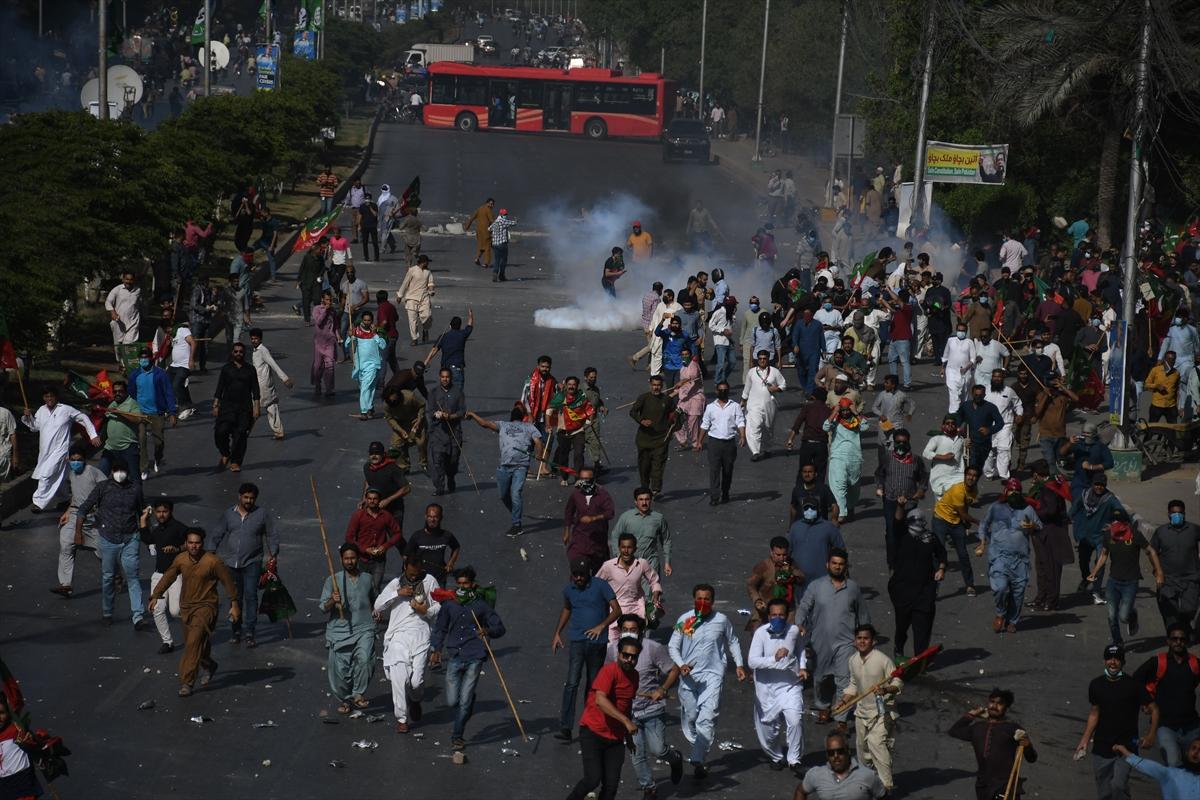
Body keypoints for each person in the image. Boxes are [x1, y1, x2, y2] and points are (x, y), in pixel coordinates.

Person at [668, 583, 747, 779]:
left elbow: (733, 641)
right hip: (688, 678)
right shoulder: (685, 620)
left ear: (713, 601)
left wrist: (739, 664)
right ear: (694, 599)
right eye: (699, 598)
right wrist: (681, 664)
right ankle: (699, 747)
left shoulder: (721, 620)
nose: (703, 602)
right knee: (692, 717)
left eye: (707, 599)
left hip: (713, 675)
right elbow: (672, 646)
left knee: (707, 717)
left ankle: (697, 758)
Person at [149, 529, 239, 697]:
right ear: (186, 544)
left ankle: (187, 682)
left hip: (207, 607)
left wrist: (234, 604)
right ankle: (209, 665)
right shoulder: (181, 559)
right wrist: (156, 595)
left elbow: (228, 582)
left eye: (197, 543)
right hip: (187, 608)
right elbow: (169, 576)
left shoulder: (213, 561)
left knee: (192, 643)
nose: (194, 546)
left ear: (202, 543)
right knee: (199, 645)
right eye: (190, 543)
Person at [605, 615, 684, 799]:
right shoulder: (612, 650)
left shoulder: (653, 648)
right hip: (628, 712)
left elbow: (673, 670)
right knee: (636, 753)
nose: (629, 633)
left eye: (633, 629)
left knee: (658, 749)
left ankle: (675, 759)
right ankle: (649, 787)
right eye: (625, 629)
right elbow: (607, 675)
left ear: (641, 631)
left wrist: (662, 688)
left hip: (652, 710)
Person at [429, 566, 506, 749]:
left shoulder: (481, 605)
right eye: (460, 583)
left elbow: (500, 627)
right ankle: (470, 699)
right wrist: (436, 649)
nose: (462, 587)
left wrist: (487, 630)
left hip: (475, 655)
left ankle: (457, 735)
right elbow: (440, 628)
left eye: (466, 583)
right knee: (451, 702)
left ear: (472, 584)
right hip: (455, 654)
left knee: (463, 703)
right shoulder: (449, 604)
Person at [1075, 644, 1159, 800]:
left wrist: (1151, 735)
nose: (1113, 662)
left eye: (1117, 659)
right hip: (1101, 747)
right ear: (1104, 661)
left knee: (1118, 785)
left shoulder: (1134, 685)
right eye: (1109, 658)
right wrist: (1085, 740)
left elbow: (1154, 709)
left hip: (1127, 747)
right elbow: (1094, 713)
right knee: (1104, 792)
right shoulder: (1096, 685)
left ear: (1123, 662)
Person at [564, 635, 643, 800]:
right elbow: (600, 700)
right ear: (618, 654)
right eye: (625, 655)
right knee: (592, 779)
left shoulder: (635, 677)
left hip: (615, 739)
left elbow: (626, 705)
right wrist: (626, 722)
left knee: (611, 785)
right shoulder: (609, 671)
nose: (629, 660)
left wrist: (628, 738)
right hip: (593, 732)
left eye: (633, 657)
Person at [797, 549, 870, 727]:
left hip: (846, 642)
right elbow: (804, 606)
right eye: (834, 563)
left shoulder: (852, 588)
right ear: (827, 565)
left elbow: (863, 616)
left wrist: (865, 641)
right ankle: (823, 707)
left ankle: (840, 716)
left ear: (845, 567)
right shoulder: (816, 586)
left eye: (841, 564)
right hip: (820, 641)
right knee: (820, 677)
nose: (837, 567)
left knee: (843, 679)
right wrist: (799, 624)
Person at [553, 559, 622, 741]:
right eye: (575, 575)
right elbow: (567, 609)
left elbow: (617, 610)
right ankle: (566, 727)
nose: (578, 578)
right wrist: (557, 633)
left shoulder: (601, 586)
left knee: (593, 685)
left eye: (582, 575)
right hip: (577, 641)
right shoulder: (569, 590)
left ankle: (589, 724)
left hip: (597, 643)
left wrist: (601, 626)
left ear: (588, 573)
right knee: (572, 683)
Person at [375, 555, 442, 733]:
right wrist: (398, 593)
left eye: (416, 574)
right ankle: (402, 719)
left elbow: (439, 606)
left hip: (421, 634)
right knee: (399, 677)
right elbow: (378, 605)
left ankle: (415, 699)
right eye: (410, 574)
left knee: (416, 681)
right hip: (397, 635)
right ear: (405, 567)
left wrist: (425, 610)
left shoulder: (429, 581)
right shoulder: (396, 583)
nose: (413, 578)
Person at [76, 461, 145, 628]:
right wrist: (77, 533)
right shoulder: (102, 488)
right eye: (116, 469)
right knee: (108, 577)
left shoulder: (135, 489)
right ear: (112, 471)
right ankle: (107, 611)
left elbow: (141, 512)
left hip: (130, 538)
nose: (119, 472)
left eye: (123, 469)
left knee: (133, 577)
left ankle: (138, 615)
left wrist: (146, 536)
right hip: (108, 538)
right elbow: (83, 509)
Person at [209, 483, 278, 648]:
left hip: (252, 562)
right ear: (239, 497)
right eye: (246, 497)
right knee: (235, 597)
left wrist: (273, 553)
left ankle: (250, 631)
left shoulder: (261, 514)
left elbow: (272, 534)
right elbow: (217, 533)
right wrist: (211, 551)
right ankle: (236, 630)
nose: (248, 500)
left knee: (250, 595)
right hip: (232, 564)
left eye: (252, 498)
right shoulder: (228, 514)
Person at [1088, 508, 1164, 646]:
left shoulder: (1135, 535)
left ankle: (1132, 615)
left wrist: (1158, 572)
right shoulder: (1108, 536)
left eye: (1119, 521)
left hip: (1130, 582)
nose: (1116, 524)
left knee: (1123, 616)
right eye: (1113, 521)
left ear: (1126, 523)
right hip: (1113, 582)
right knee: (1112, 616)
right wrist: (1094, 571)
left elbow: (1151, 551)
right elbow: (1104, 554)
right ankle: (1118, 641)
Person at [748, 597, 807, 777]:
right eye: (774, 615)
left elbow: (800, 650)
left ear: (787, 615)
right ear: (768, 616)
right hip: (766, 688)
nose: (778, 618)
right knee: (768, 728)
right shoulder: (760, 633)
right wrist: (774, 658)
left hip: (790, 685)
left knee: (795, 720)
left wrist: (803, 667)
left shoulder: (794, 631)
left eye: (781, 614)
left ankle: (794, 759)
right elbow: (752, 661)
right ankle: (775, 756)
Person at [948, 688, 1039, 800]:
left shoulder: (1013, 729)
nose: (994, 706)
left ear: (1006, 707)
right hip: (983, 785)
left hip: (1006, 786)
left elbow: (1032, 758)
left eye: (1000, 703)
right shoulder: (977, 728)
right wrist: (970, 715)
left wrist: (1028, 745)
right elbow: (954, 731)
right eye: (992, 702)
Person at [319, 543, 378, 713]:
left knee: (365, 659)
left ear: (358, 559)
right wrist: (333, 599)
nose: (350, 561)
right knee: (341, 671)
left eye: (352, 558)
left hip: (364, 627)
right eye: (346, 558)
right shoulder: (333, 580)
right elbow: (323, 607)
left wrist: (377, 611)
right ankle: (346, 699)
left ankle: (358, 694)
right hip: (340, 631)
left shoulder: (367, 578)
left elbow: (375, 600)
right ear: (341, 560)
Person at [842, 624, 901, 792]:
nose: (862, 641)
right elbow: (853, 685)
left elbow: (897, 683)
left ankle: (887, 785)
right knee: (863, 751)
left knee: (877, 744)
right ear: (855, 641)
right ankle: (869, 784)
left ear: (873, 641)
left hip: (882, 712)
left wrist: (885, 690)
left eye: (865, 638)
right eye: (859, 638)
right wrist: (844, 700)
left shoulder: (883, 660)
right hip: (862, 712)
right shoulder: (852, 660)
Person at [978, 479, 1041, 633]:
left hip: (1020, 559)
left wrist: (1032, 526)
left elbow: (1039, 526)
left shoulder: (1028, 509)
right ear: (1006, 492)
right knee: (1000, 588)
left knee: (1018, 593)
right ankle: (1000, 613)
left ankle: (1012, 620)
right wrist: (982, 541)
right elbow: (984, 524)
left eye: (1017, 492)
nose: (1014, 494)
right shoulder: (996, 507)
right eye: (1011, 491)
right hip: (999, 556)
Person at [1133, 623, 1200, 767]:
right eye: (1174, 639)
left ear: (1186, 641)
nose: (1178, 642)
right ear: (1168, 641)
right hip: (1165, 726)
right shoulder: (1157, 662)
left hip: (1192, 726)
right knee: (1174, 763)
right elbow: (1136, 680)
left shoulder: (1194, 664)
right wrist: (1146, 702)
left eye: (1182, 639)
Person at [22, 387, 100, 510]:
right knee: (58, 476)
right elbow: (35, 427)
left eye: (51, 396)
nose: (49, 399)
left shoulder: (66, 409)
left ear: (56, 397)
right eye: (46, 396)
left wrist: (93, 435)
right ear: (43, 398)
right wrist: (28, 417)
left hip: (60, 450)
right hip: (45, 451)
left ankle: (38, 502)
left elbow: (83, 418)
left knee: (46, 475)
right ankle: (64, 499)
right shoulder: (41, 410)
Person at [467, 408, 541, 536]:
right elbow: (485, 424)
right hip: (505, 466)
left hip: (520, 466)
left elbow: (538, 441)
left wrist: (473, 414)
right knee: (503, 495)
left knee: (516, 493)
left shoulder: (527, 426)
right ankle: (515, 512)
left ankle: (516, 524)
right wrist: (473, 415)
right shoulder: (503, 425)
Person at [889, 506, 946, 658]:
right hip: (903, 590)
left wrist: (941, 569)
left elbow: (941, 554)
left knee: (923, 626)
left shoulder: (930, 538)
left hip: (924, 590)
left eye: (919, 520)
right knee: (902, 625)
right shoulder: (902, 535)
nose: (916, 524)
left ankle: (920, 657)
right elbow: (897, 521)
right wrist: (900, 505)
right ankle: (899, 647)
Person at [50, 446, 103, 598]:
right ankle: (65, 584)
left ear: (84, 460)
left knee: (101, 552)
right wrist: (67, 512)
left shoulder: (94, 473)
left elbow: (107, 490)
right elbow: (75, 495)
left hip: (92, 518)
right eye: (73, 460)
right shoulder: (71, 473)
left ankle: (116, 575)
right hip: (74, 515)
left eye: (79, 460)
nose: (75, 463)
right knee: (66, 544)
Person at [874, 428, 928, 568]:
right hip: (891, 501)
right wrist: (880, 487)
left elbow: (923, 477)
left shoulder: (916, 460)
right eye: (898, 442)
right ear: (894, 443)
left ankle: (907, 561)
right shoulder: (887, 458)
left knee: (909, 532)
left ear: (909, 442)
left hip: (909, 502)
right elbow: (879, 474)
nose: (901, 445)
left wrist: (921, 490)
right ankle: (892, 563)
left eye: (904, 442)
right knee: (892, 533)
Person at [141, 500, 189, 654]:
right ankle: (167, 642)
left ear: (171, 511)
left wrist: (177, 548)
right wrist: (143, 521)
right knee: (157, 609)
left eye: (164, 511)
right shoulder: (157, 530)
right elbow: (148, 539)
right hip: (159, 574)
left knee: (175, 611)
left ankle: (192, 632)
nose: (161, 515)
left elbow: (191, 543)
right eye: (158, 512)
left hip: (176, 575)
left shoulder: (179, 528)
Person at [1071, 473, 1126, 605]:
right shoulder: (1084, 495)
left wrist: (1113, 524)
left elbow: (1120, 512)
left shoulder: (1109, 498)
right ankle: (1086, 578)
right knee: (1083, 561)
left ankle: (1096, 591)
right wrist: (1065, 519)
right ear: (1092, 484)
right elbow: (1074, 509)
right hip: (1085, 535)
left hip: (1101, 537)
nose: (1099, 487)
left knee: (1099, 565)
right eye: (1096, 484)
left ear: (1105, 486)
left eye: (1101, 485)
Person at [1028, 460, 1075, 611]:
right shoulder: (1047, 485)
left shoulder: (1049, 488)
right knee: (1042, 566)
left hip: (1052, 532)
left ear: (1036, 475)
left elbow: (1051, 511)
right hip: (1043, 532)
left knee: (1051, 568)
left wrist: (1033, 514)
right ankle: (1041, 597)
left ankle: (1051, 600)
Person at [1152, 500, 1200, 633]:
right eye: (1173, 513)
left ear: (1184, 514)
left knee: (1190, 609)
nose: (1177, 515)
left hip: (1191, 578)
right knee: (1169, 613)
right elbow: (1152, 552)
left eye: (1179, 513)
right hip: (1168, 579)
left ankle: (1185, 627)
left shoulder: (1194, 530)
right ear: (1168, 514)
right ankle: (1176, 638)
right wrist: (1158, 571)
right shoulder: (1161, 532)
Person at [211, 342, 261, 473]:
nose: (238, 354)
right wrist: (215, 404)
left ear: (244, 354)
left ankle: (235, 462)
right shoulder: (226, 368)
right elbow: (220, 387)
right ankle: (225, 453)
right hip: (227, 407)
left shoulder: (250, 369)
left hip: (244, 408)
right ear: (232, 353)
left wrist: (257, 407)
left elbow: (255, 389)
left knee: (240, 436)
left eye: (241, 352)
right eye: (236, 351)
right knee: (220, 432)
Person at [795, 731, 888, 800]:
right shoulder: (816, 774)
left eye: (840, 751)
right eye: (831, 753)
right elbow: (800, 791)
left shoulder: (868, 775)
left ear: (848, 751)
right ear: (827, 755)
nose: (836, 756)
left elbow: (882, 796)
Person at [344, 488, 403, 593]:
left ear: (379, 500)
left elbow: (397, 533)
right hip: (362, 559)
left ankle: (374, 608)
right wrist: (365, 549)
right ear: (366, 499)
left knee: (375, 588)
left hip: (379, 560)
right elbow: (349, 537)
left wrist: (385, 546)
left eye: (375, 499)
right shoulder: (358, 515)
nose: (372, 501)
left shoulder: (386, 516)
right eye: (369, 498)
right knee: (361, 588)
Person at [130, 347, 176, 480]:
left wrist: (172, 412)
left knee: (159, 442)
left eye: (146, 357)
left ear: (151, 359)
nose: (144, 360)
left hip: (157, 412)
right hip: (141, 413)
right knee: (141, 439)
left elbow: (168, 393)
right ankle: (143, 468)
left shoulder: (160, 374)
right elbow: (131, 393)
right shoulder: (134, 375)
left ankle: (157, 458)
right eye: (141, 358)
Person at [699, 381, 746, 505]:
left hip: (729, 444)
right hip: (714, 443)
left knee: (727, 470)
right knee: (714, 470)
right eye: (720, 390)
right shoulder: (710, 407)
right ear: (716, 391)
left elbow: (740, 421)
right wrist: (699, 441)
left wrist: (742, 435)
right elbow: (705, 425)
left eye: (725, 390)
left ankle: (725, 492)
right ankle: (714, 497)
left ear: (728, 391)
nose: (723, 392)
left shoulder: (735, 406)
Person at [788, 498, 846, 597]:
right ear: (802, 510)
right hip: (799, 581)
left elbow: (841, 551)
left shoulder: (829, 527)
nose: (809, 510)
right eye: (806, 508)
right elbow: (787, 552)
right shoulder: (795, 527)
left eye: (812, 507)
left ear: (818, 509)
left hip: (822, 580)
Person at [629, 376, 677, 496]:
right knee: (644, 466)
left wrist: (676, 416)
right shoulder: (643, 398)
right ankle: (645, 488)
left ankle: (655, 488)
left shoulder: (667, 400)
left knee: (658, 465)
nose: (656, 387)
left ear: (662, 386)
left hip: (661, 439)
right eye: (654, 385)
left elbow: (673, 414)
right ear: (650, 385)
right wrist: (642, 421)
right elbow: (633, 411)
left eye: (659, 385)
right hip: (644, 439)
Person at [610, 488, 673, 579]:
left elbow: (666, 540)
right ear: (635, 501)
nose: (644, 503)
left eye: (647, 499)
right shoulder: (626, 517)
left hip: (651, 563)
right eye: (641, 499)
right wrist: (619, 556)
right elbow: (615, 536)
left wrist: (667, 562)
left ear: (651, 500)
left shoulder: (658, 519)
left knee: (651, 592)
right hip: (630, 564)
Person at [564, 467, 617, 573]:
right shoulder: (576, 494)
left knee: (599, 575)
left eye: (588, 479)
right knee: (579, 570)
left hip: (598, 542)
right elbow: (569, 511)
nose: (585, 482)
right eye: (582, 479)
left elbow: (610, 512)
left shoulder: (602, 495)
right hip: (580, 540)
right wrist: (566, 531)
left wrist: (594, 518)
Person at [824, 398, 869, 521]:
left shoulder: (856, 420)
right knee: (839, 484)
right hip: (838, 456)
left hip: (855, 457)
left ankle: (850, 506)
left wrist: (856, 413)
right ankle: (841, 513)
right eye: (842, 410)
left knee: (853, 485)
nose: (844, 413)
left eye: (846, 410)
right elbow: (825, 426)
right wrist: (834, 412)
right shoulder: (835, 420)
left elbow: (865, 427)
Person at [548, 375, 597, 485]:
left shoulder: (581, 397)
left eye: (573, 385)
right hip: (563, 431)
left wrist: (589, 422)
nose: (571, 387)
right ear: (565, 385)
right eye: (569, 384)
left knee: (579, 454)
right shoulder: (559, 397)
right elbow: (549, 411)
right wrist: (548, 425)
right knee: (563, 455)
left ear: (577, 386)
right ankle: (565, 477)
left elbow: (590, 410)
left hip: (578, 431)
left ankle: (578, 478)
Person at [1114, 740, 1200, 800]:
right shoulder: (1171, 774)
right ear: (1187, 752)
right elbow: (1145, 765)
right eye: (1193, 748)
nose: (1196, 752)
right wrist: (1125, 752)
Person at [248, 328, 292, 441]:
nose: (254, 341)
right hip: (261, 384)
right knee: (272, 407)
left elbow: (273, 364)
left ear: (260, 339)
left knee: (255, 408)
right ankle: (278, 431)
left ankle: (245, 431)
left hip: (262, 386)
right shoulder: (256, 351)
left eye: (256, 339)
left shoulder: (263, 350)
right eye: (252, 339)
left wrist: (285, 378)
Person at [426, 368, 465, 495]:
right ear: (439, 377)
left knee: (452, 460)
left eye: (447, 377)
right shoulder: (433, 392)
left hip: (454, 432)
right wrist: (436, 414)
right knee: (437, 461)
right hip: (438, 433)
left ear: (451, 377)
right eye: (443, 377)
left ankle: (451, 477)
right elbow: (429, 411)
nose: (445, 379)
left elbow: (462, 412)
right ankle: (440, 487)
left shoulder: (458, 392)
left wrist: (450, 417)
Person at [742, 350, 786, 461]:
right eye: (760, 358)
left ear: (768, 359)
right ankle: (755, 451)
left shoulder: (774, 372)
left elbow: (783, 385)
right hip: (753, 405)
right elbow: (747, 388)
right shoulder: (752, 372)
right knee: (754, 425)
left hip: (769, 405)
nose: (762, 361)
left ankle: (767, 449)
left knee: (768, 428)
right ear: (757, 359)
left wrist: (776, 389)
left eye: (764, 358)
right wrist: (743, 400)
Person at [404, 504, 460, 585]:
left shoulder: (446, 535)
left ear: (441, 518)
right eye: (429, 517)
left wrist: (451, 563)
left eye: (435, 517)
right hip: (420, 578)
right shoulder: (417, 535)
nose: (432, 520)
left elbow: (456, 547)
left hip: (439, 578)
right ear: (425, 517)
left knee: (439, 597)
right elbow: (406, 556)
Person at [983, 369, 1023, 481]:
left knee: (1004, 449)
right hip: (988, 426)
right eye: (994, 376)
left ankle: (1004, 475)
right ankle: (989, 473)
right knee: (989, 451)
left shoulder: (1009, 391)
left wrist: (1019, 414)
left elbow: (1018, 403)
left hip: (1005, 425)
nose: (997, 378)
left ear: (1003, 378)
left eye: (999, 377)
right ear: (991, 378)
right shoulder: (985, 390)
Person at [957, 384, 1005, 476]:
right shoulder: (965, 405)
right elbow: (958, 417)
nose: (978, 397)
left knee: (977, 467)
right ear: (972, 394)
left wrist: (989, 430)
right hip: (969, 442)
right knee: (970, 466)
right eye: (976, 395)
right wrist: (958, 428)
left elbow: (1000, 423)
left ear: (984, 395)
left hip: (983, 444)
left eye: (980, 395)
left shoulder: (991, 407)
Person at [785, 388, 831, 481]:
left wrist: (790, 440)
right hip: (821, 445)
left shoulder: (807, 407)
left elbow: (797, 425)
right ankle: (818, 492)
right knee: (821, 472)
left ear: (813, 397)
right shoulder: (828, 410)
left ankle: (801, 491)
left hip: (807, 445)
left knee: (804, 471)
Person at [382, 383, 428, 471]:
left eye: (394, 400)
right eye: (391, 401)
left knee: (421, 443)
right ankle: (404, 466)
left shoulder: (409, 396)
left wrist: (419, 420)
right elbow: (389, 418)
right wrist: (400, 430)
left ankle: (424, 463)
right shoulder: (386, 405)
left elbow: (422, 405)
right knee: (396, 445)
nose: (393, 402)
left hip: (415, 422)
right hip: (400, 424)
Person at [923, 414, 965, 502]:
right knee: (941, 506)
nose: (950, 425)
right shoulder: (937, 438)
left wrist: (967, 446)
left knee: (956, 504)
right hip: (940, 477)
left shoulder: (961, 439)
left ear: (956, 426)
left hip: (957, 476)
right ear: (943, 426)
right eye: (947, 423)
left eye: (953, 423)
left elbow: (964, 456)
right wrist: (943, 457)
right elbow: (926, 453)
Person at [397, 254, 435, 345]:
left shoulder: (428, 272)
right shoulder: (412, 270)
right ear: (423, 262)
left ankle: (425, 330)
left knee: (427, 315)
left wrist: (431, 290)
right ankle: (414, 339)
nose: (428, 264)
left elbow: (430, 283)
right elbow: (405, 283)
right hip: (411, 298)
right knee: (412, 320)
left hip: (424, 297)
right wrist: (400, 295)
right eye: (427, 262)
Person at [431, 309, 474, 390]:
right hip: (457, 370)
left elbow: (434, 351)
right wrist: (471, 315)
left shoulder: (443, 337)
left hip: (445, 371)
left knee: (445, 394)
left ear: (450, 326)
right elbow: (470, 326)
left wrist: (426, 362)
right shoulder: (462, 335)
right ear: (460, 326)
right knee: (457, 396)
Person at [105, 269, 141, 360]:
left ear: (134, 280)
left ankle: (126, 366)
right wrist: (112, 312)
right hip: (118, 321)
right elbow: (108, 302)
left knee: (128, 345)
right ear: (123, 279)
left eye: (131, 279)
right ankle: (120, 363)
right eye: (127, 279)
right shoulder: (117, 290)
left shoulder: (138, 290)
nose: (128, 282)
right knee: (118, 345)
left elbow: (141, 304)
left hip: (133, 321)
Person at [311, 291, 338, 397]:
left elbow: (335, 326)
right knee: (317, 367)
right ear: (322, 299)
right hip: (319, 342)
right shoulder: (317, 309)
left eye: (330, 300)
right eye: (327, 299)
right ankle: (318, 384)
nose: (329, 302)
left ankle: (329, 389)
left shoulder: (333, 311)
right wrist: (325, 310)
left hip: (330, 341)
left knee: (330, 365)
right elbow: (318, 322)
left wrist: (338, 336)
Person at [465, 197, 496, 268]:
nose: (492, 205)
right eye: (491, 204)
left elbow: (472, 218)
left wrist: (467, 227)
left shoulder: (480, 209)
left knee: (481, 247)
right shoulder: (488, 210)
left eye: (493, 204)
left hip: (479, 232)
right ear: (487, 203)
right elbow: (492, 221)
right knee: (487, 248)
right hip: (486, 232)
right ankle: (486, 263)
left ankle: (477, 259)